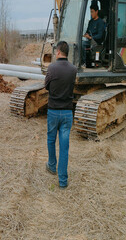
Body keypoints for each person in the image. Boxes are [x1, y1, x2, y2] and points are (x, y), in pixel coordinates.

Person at [44, 41, 77, 189]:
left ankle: (52, 165)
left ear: (58, 52)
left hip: (53, 111)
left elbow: (46, 86)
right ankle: (63, 181)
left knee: (51, 140)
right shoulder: (73, 69)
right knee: (64, 147)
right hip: (67, 112)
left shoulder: (52, 68)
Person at [82, 1, 106, 65]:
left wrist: (90, 37)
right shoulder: (91, 22)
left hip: (96, 42)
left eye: (92, 12)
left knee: (82, 44)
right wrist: (85, 35)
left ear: (96, 12)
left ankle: (84, 62)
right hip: (90, 40)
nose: (91, 14)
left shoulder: (100, 22)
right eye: (90, 12)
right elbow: (87, 31)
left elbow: (100, 35)